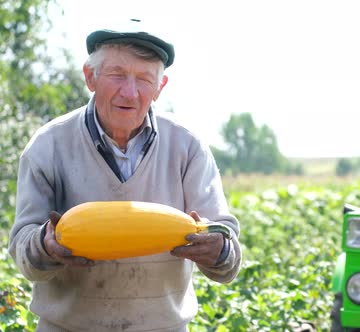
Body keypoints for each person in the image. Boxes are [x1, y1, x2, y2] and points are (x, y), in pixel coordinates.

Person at [8, 19, 241, 332]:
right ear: (90, 77)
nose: (129, 93)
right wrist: (45, 245)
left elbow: (228, 251)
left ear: (160, 88)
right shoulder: (48, 145)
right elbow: (23, 248)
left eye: (144, 79)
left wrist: (219, 250)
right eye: (117, 75)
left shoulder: (188, 147)